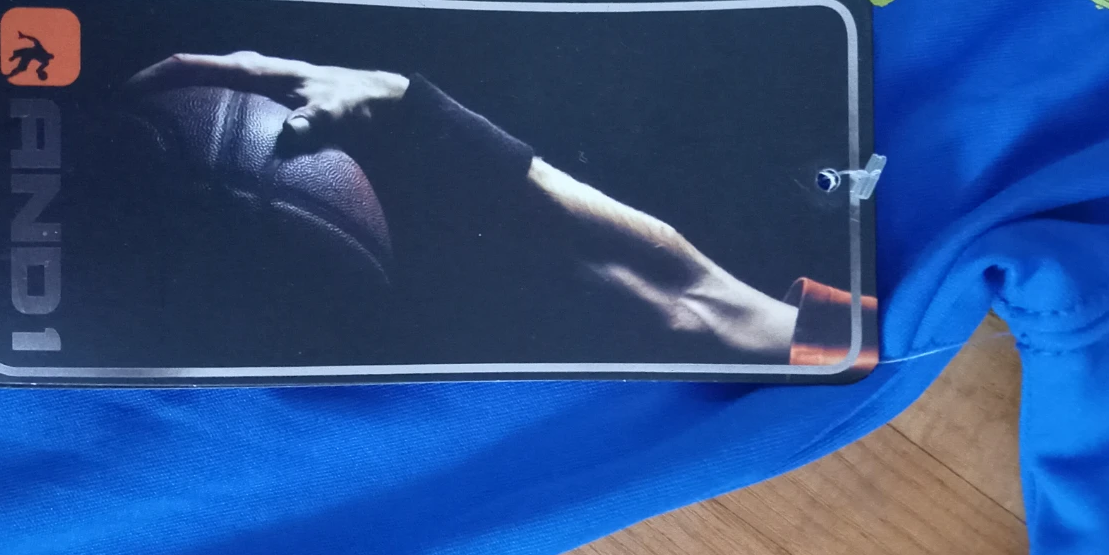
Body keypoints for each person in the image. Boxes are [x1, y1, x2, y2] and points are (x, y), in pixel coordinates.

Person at [127, 49, 876, 371]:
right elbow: (693, 303)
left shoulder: (881, 357)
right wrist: (418, 113)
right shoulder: (872, 347)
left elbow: (692, 303)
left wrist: (423, 116)